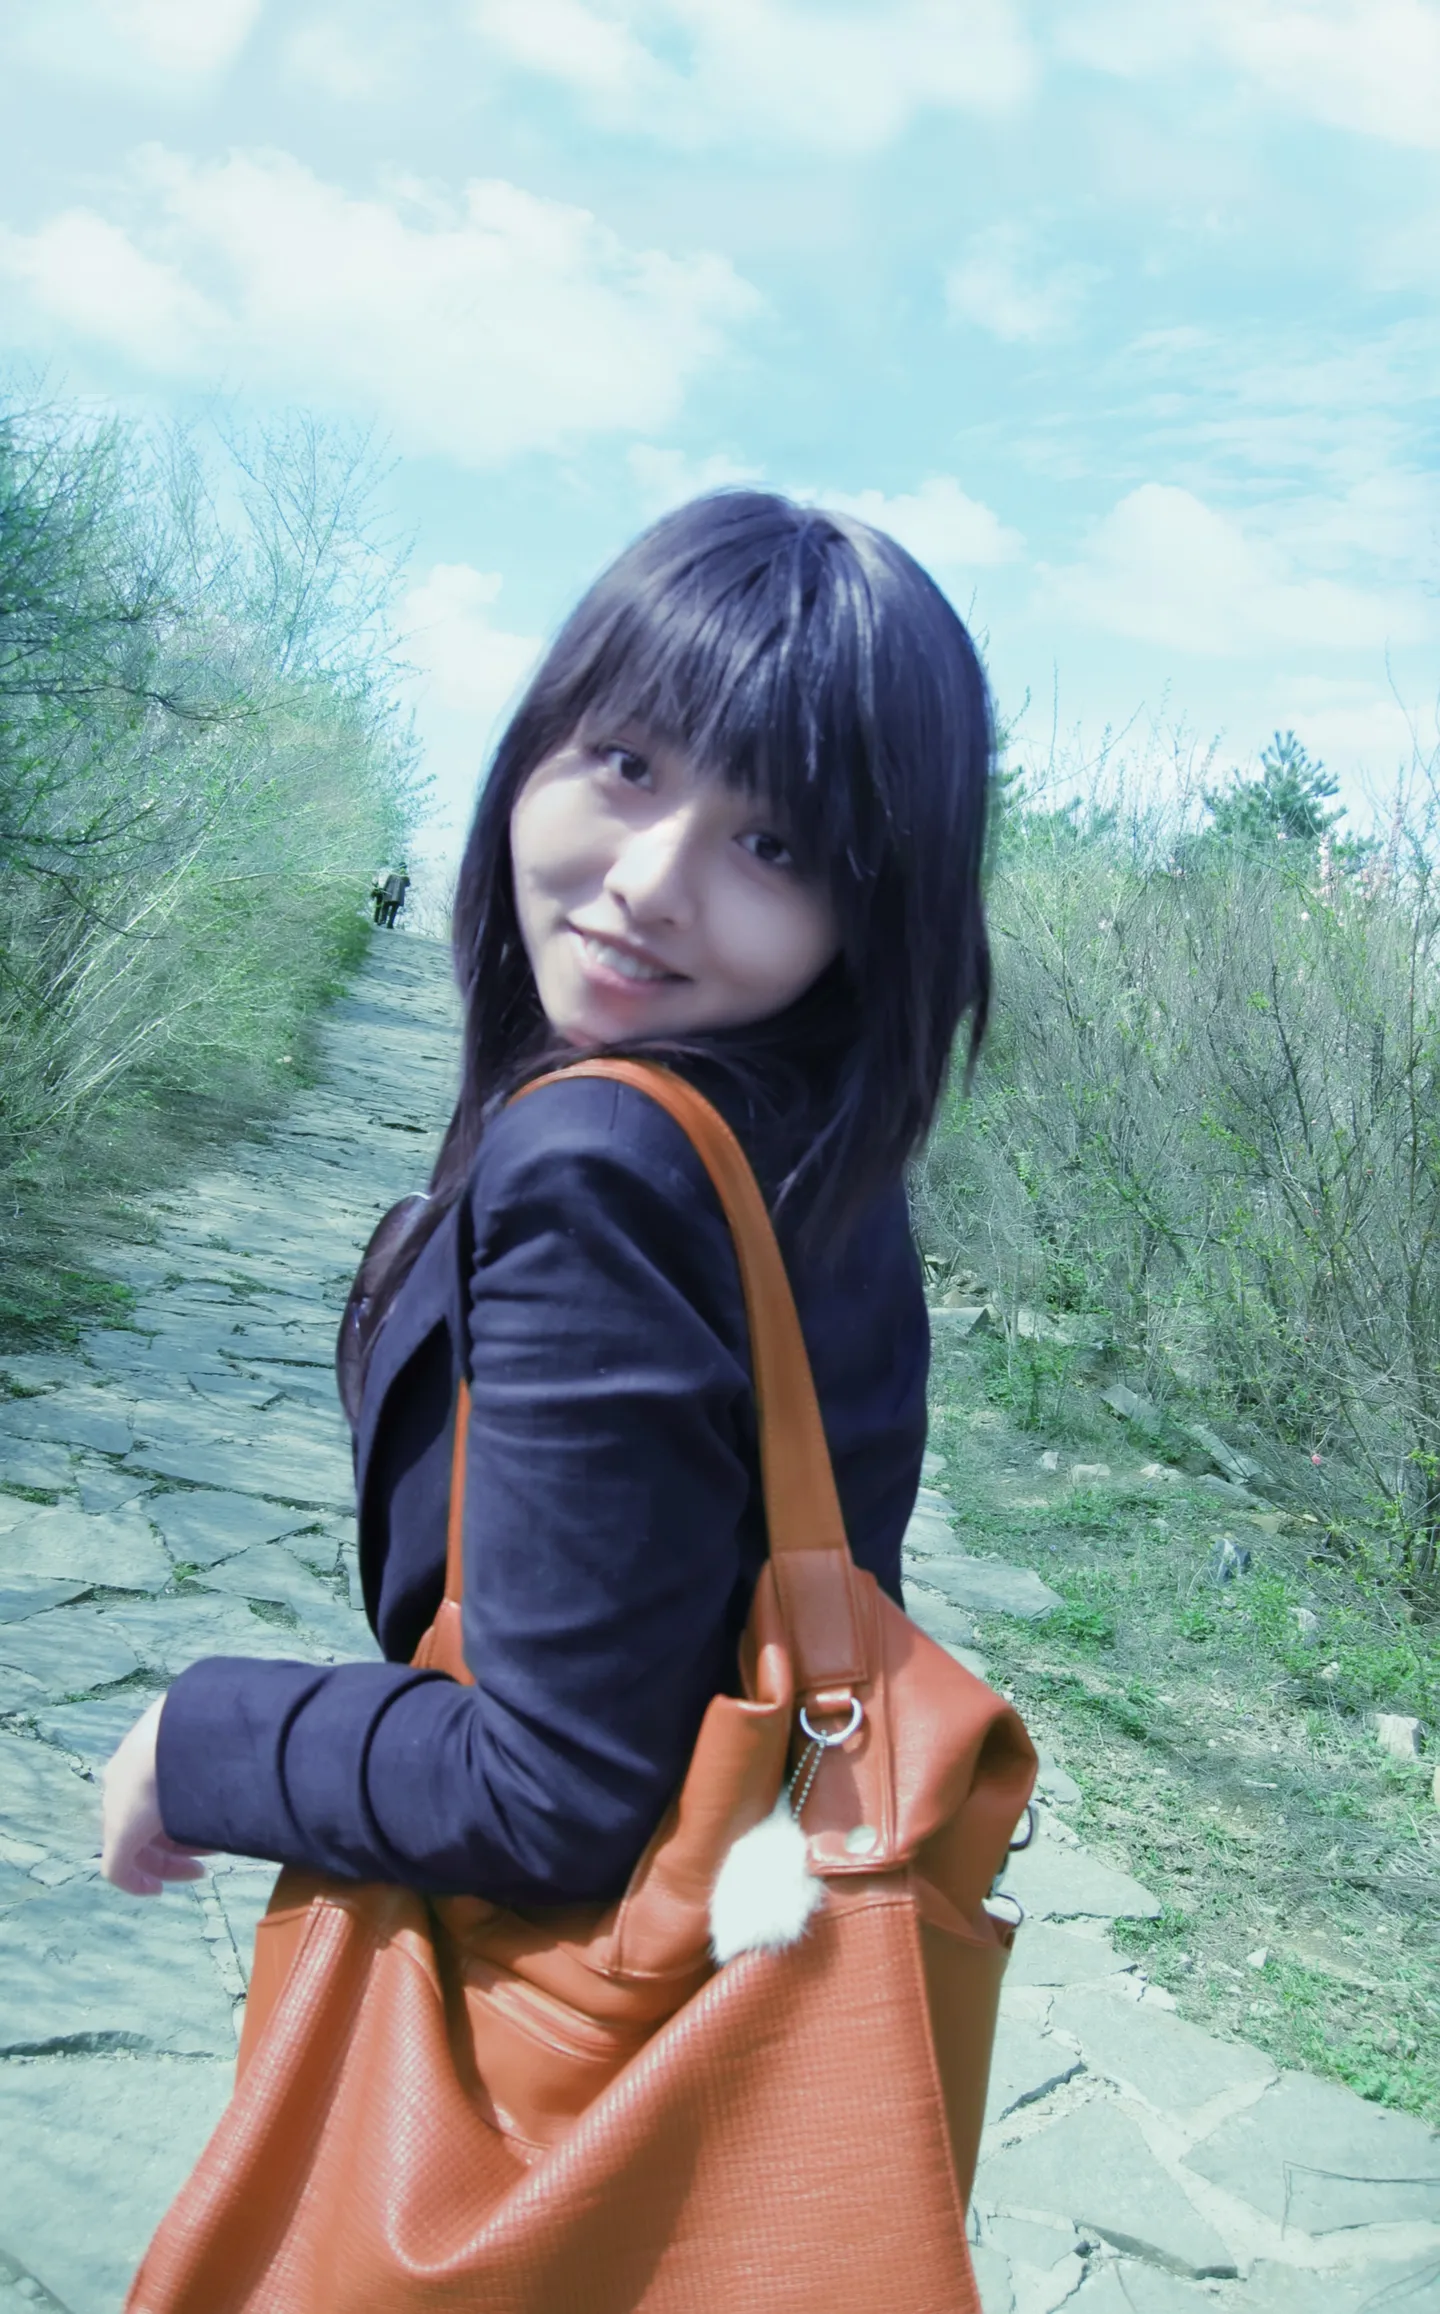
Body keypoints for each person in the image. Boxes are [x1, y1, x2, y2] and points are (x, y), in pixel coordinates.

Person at [97, 492, 991, 1939]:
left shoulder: (610, 1164)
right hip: (745, 1926)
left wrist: (204, 1738)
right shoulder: (814, 1143)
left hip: (590, 1990)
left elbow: (553, 1787)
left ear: (872, 911)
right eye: (627, 764)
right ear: (539, 743)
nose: (649, 882)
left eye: (773, 845)